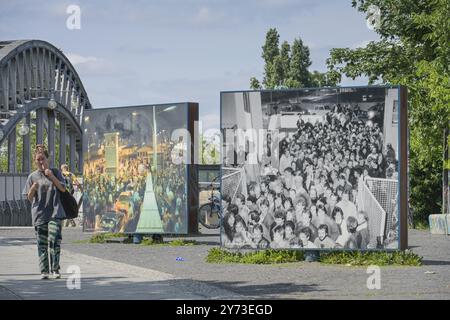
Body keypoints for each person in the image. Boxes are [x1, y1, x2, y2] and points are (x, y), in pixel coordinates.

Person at [23, 145, 67, 279]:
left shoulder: (56, 172)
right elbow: (29, 198)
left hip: (55, 212)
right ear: (35, 161)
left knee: (54, 240)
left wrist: (52, 176)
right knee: (42, 243)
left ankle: (55, 269)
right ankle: (44, 271)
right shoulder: (32, 176)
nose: (41, 162)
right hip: (39, 214)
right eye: (38, 160)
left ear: (48, 159)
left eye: (43, 159)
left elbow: (63, 189)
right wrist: (33, 189)